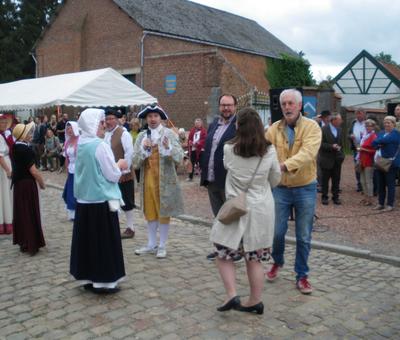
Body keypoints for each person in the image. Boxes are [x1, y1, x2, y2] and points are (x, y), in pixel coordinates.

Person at [210, 108, 281, 315]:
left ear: (238, 126)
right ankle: (255, 301)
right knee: (254, 257)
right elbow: (276, 179)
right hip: (260, 209)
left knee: (222, 251)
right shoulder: (270, 151)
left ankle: (231, 293)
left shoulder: (228, 149)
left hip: (236, 207)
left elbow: (227, 167)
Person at [265, 89, 322, 294]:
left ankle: (302, 275)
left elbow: (308, 153)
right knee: (277, 232)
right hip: (280, 188)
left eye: (291, 103)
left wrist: (283, 165)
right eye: (284, 104)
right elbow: (262, 149)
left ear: (299, 106)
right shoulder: (273, 129)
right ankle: (277, 261)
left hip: (305, 186)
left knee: (303, 235)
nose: (287, 107)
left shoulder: (312, 127)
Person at [70, 108, 127, 294]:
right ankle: (104, 282)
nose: (104, 125)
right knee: (103, 242)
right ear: (94, 125)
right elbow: (112, 174)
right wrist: (120, 164)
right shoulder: (99, 145)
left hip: (84, 201)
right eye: (101, 122)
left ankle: (88, 277)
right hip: (101, 201)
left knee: (88, 242)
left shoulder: (82, 143)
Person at [133, 104, 184, 259]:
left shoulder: (169, 134)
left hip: (165, 180)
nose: (152, 119)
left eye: (155, 116)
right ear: (146, 119)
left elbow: (180, 157)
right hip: (148, 179)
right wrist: (144, 151)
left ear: (160, 118)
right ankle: (151, 243)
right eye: (150, 116)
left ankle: (162, 245)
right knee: (150, 210)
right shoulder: (142, 136)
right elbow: (134, 162)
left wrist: (168, 148)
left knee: (163, 211)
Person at [200, 94, 242, 262]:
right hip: (211, 178)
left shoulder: (239, 126)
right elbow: (209, 149)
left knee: (232, 216)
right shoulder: (213, 125)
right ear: (219, 106)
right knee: (219, 217)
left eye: (229, 105)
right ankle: (221, 248)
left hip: (229, 180)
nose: (226, 108)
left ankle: (236, 249)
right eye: (223, 105)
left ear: (235, 106)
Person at [11, 122, 46, 255]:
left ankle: (24, 241)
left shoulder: (15, 147)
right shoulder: (25, 149)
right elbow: (34, 170)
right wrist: (42, 183)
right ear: (22, 135)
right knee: (29, 212)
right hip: (27, 185)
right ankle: (31, 242)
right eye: (28, 133)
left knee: (22, 212)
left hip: (19, 185)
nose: (30, 134)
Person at [104, 109, 136, 239]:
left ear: (117, 120)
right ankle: (114, 227)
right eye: (107, 119)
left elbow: (129, 153)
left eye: (112, 118)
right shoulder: (106, 135)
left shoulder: (124, 133)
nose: (109, 121)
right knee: (113, 200)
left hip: (124, 173)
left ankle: (130, 228)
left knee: (127, 201)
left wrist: (124, 171)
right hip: (111, 174)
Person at [372, 116, 400, 212]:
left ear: (393, 124)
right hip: (380, 162)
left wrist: (380, 143)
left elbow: (382, 141)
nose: (386, 124)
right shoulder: (381, 132)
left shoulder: (396, 134)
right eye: (385, 122)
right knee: (381, 184)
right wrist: (380, 143)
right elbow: (374, 143)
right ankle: (380, 203)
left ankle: (390, 205)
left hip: (390, 163)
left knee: (390, 184)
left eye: (389, 122)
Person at [318, 113, 345, 205]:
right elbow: (320, 144)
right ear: (333, 120)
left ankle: (335, 197)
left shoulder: (340, 130)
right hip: (326, 159)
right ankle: (324, 197)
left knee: (336, 179)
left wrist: (342, 155)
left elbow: (341, 144)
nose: (341, 121)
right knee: (325, 180)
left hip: (337, 159)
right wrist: (331, 146)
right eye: (339, 120)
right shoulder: (323, 129)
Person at [357, 119, 377, 206]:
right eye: (366, 126)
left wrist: (363, 149)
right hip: (362, 159)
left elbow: (375, 150)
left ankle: (370, 199)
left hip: (369, 161)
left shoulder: (373, 136)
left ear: (373, 127)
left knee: (368, 180)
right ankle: (365, 197)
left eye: (370, 126)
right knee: (362, 180)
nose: (368, 127)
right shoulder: (365, 135)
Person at [62, 121, 80, 221]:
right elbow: (66, 157)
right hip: (71, 169)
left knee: (76, 191)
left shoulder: (80, 140)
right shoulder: (67, 142)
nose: (69, 130)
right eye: (68, 129)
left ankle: (78, 212)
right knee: (70, 192)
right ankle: (72, 213)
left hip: (78, 168)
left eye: (71, 128)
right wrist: (67, 169)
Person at [0, 114, 14, 235]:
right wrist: (7, 170)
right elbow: (0, 157)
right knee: (3, 193)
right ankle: (5, 222)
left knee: (7, 194)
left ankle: (7, 219)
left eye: (5, 122)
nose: (4, 124)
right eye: (1, 122)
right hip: (3, 168)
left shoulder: (4, 135)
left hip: (6, 165)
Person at [348, 108, 367, 192]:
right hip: (356, 148)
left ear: (364, 115)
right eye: (357, 114)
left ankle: (366, 184)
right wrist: (350, 136)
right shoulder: (353, 123)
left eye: (360, 114)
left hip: (366, 149)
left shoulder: (368, 123)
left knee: (367, 166)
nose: (359, 115)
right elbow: (348, 134)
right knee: (358, 166)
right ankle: (359, 184)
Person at [129, 117, 141, 183]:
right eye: (132, 125)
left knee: (138, 170)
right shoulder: (128, 133)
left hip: (139, 154)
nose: (134, 127)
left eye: (136, 125)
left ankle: (139, 182)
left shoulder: (141, 133)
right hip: (131, 154)